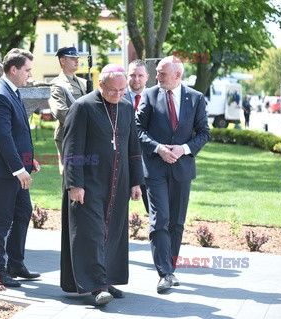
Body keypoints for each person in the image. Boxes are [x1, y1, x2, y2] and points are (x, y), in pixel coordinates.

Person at [60, 64, 144, 305]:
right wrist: (75, 184)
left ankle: (107, 279)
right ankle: (96, 286)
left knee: (114, 234)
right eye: (112, 91)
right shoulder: (83, 107)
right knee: (92, 234)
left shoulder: (127, 108)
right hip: (89, 183)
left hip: (118, 182)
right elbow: (72, 149)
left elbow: (133, 148)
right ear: (101, 85)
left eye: (122, 91)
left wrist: (137, 182)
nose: (117, 96)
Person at [136, 56, 210, 293]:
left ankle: (171, 268)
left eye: (162, 73)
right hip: (155, 169)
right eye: (157, 72)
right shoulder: (149, 95)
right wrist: (158, 148)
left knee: (176, 222)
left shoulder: (196, 98)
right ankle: (164, 273)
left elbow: (204, 132)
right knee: (160, 220)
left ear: (177, 75)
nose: (157, 77)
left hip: (182, 169)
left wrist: (184, 149)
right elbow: (137, 130)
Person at [0, 48, 41, 287]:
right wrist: (18, 168)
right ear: (13, 70)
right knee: (2, 219)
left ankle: (15, 263)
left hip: (15, 167)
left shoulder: (13, 91)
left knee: (23, 212)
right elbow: (3, 137)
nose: (29, 75)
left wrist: (28, 159)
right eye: (27, 70)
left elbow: (19, 133)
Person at [48, 45, 87, 174]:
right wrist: (83, 123)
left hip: (87, 133)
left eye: (77, 58)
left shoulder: (84, 82)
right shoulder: (57, 84)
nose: (77, 60)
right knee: (70, 173)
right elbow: (60, 112)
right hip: (68, 134)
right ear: (62, 61)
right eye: (72, 58)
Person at [124, 59, 150, 212]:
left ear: (147, 77)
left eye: (140, 75)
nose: (136, 79)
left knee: (154, 211)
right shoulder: (117, 96)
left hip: (148, 162)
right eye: (132, 75)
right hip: (123, 160)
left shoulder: (156, 98)